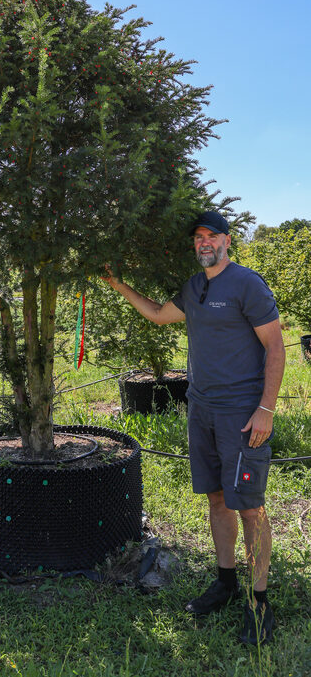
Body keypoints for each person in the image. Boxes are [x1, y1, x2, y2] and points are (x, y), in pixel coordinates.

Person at [103, 210, 285, 645]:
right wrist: (117, 284)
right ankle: (225, 581)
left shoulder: (247, 284)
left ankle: (259, 601)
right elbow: (156, 314)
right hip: (200, 410)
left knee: (250, 508)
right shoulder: (194, 286)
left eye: (212, 236)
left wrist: (266, 408)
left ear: (227, 240)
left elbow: (276, 346)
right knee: (217, 499)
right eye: (199, 237)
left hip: (242, 414)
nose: (205, 242)